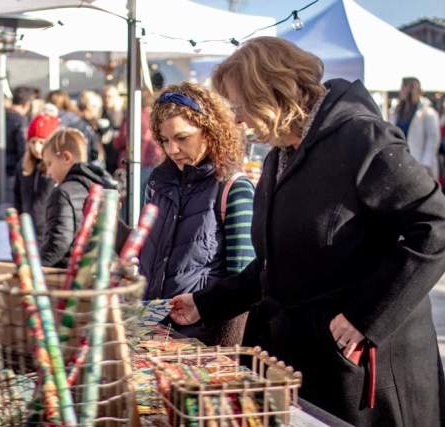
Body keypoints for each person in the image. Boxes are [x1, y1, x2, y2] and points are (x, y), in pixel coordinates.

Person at [170, 37, 445, 426]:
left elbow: (434, 227)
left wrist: (367, 317)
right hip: (308, 362)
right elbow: (274, 265)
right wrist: (206, 304)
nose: (239, 120)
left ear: (271, 91)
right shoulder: (278, 157)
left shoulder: (363, 138)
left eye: (241, 106)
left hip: (366, 372)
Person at [139, 81, 254, 345]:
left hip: (202, 343)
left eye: (182, 138)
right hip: (149, 334)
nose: (172, 150)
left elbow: (243, 281)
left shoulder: (233, 188)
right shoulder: (158, 183)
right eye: (164, 140)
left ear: (209, 130)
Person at [40, 128, 118, 268]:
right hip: (99, 271)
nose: (48, 172)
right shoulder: (102, 187)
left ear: (66, 158)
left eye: (49, 163)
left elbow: (58, 244)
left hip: (70, 276)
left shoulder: (62, 193)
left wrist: (36, 268)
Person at [14, 114, 59, 246]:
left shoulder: (55, 169)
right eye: (33, 142)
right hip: (27, 231)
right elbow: (17, 198)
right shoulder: (23, 166)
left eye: (42, 142)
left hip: (48, 232)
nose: (37, 148)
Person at [391, 77, 441, 178]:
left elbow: (433, 139)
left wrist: (425, 165)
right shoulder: (398, 111)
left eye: (404, 87)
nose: (401, 91)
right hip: (400, 163)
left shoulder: (427, 112)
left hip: (420, 165)